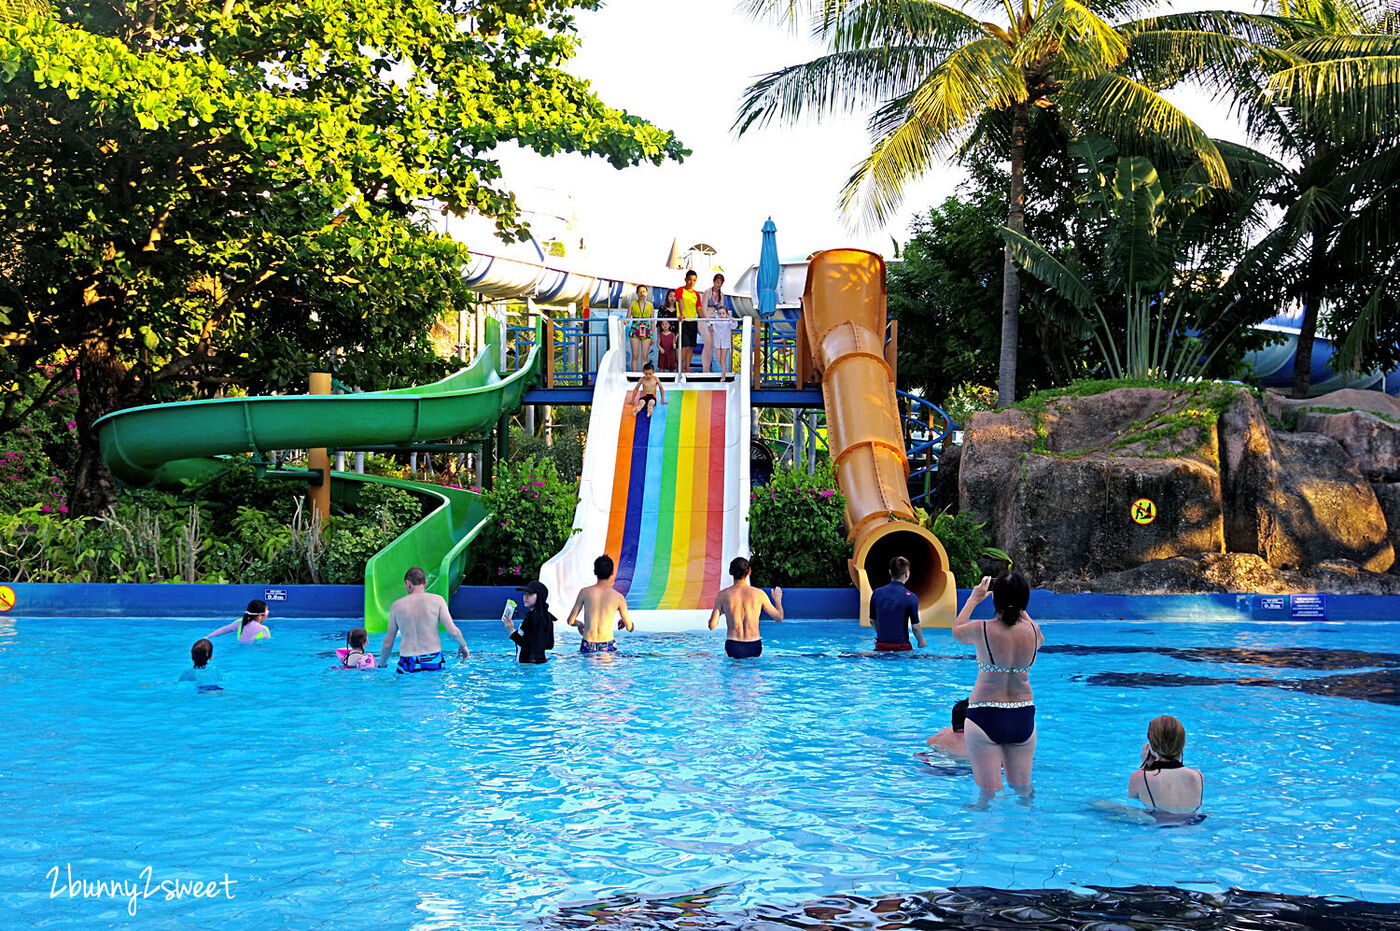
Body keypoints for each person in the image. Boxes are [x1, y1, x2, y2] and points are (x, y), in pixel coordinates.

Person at [951, 572, 1043, 805]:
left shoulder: (981, 629)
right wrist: (1020, 606)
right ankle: (1028, 834)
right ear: (1025, 602)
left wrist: (974, 598)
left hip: (985, 714)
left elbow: (957, 629)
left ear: (995, 600)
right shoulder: (1034, 632)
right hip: (1023, 715)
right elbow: (1029, 624)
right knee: (1023, 791)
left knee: (986, 796)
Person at [377, 566, 470, 673]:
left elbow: (389, 643)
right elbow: (453, 631)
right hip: (433, 658)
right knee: (433, 689)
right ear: (425, 582)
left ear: (408, 583)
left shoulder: (397, 606)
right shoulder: (438, 601)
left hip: (408, 659)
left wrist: (382, 665)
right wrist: (463, 645)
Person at [1129, 715, 1205, 824]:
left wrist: (1144, 765)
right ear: (1182, 743)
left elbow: (1133, 811)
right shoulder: (1198, 776)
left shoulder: (1139, 777)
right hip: (1193, 826)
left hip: (1159, 828)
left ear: (1151, 744)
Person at [707, 556, 783, 658]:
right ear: (749, 572)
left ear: (730, 572)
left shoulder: (722, 595)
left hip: (733, 645)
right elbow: (779, 618)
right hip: (754, 644)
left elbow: (712, 626)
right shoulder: (759, 594)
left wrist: (721, 611)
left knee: (732, 673)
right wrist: (777, 600)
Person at [565, 555, 634, 653]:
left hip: (588, 643)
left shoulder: (584, 592)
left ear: (594, 572)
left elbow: (570, 621)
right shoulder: (618, 597)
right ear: (612, 573)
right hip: (607, 643)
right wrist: (624, 621)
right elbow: (630, 627)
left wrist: (580, 624)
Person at [870, 555, 926, 651]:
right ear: (907, 574)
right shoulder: (911, 597)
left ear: (890, 572)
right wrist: (921, 642)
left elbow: (872, 621)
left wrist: (881, 634)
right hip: (902, 646)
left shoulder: (877, 593)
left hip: (881, 645)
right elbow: (915, 627)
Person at [504, 579, 556, 664]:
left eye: (530, 594)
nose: (526, 597)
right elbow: (549, 645)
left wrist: (512, 631)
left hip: (528, 666)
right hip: (540, 663)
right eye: (525, 593)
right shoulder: (547, 617)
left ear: (540, 596)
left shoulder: (533, 618)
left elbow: (530, 646)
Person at [702, 273, 736, 376]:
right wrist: (709, 322)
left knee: (713, 344)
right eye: (717, 282)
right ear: (714, 282)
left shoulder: (721, 294)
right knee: (708, 343)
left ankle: (717, 370)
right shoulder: (708, 292)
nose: (718, 285)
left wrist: (723, 319)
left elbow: (721, 308)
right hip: (706, 317)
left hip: (715, 318)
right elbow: (703, 308)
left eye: (720, 283)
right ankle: (705, 369)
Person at [673, 269, 702, 377]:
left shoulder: (696, 294)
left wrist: (706, 319)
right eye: (689, 279)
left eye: (694, 280)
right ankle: (680, 369)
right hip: (683, 322)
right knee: (683, 346)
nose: (691, 282)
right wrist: (682, 314)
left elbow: (699, 308)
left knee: (690, 346)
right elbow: (680, 302)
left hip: (693, 322)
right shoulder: (680, 290)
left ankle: (687, 368)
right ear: (685, 279)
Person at [206, 599, 271, 643]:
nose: (268, 612)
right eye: (266, 611)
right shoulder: (264, 629)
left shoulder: (240, 622)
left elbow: (224, 630)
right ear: (259, 615)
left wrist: (208, 636)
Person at [627, 285, 654, 371]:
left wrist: (652, 334)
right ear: (637, 293)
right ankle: (634, 376)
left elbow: (652, 321)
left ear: (647, 293)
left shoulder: (650, 305)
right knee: (635, 356)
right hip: (635, 328)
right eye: (640, 291)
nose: (642, 293)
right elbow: (627, 318)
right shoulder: (632, 303)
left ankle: (645, 376)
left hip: (646, 329)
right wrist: (624, 322)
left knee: (644, 357)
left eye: (644, 291)